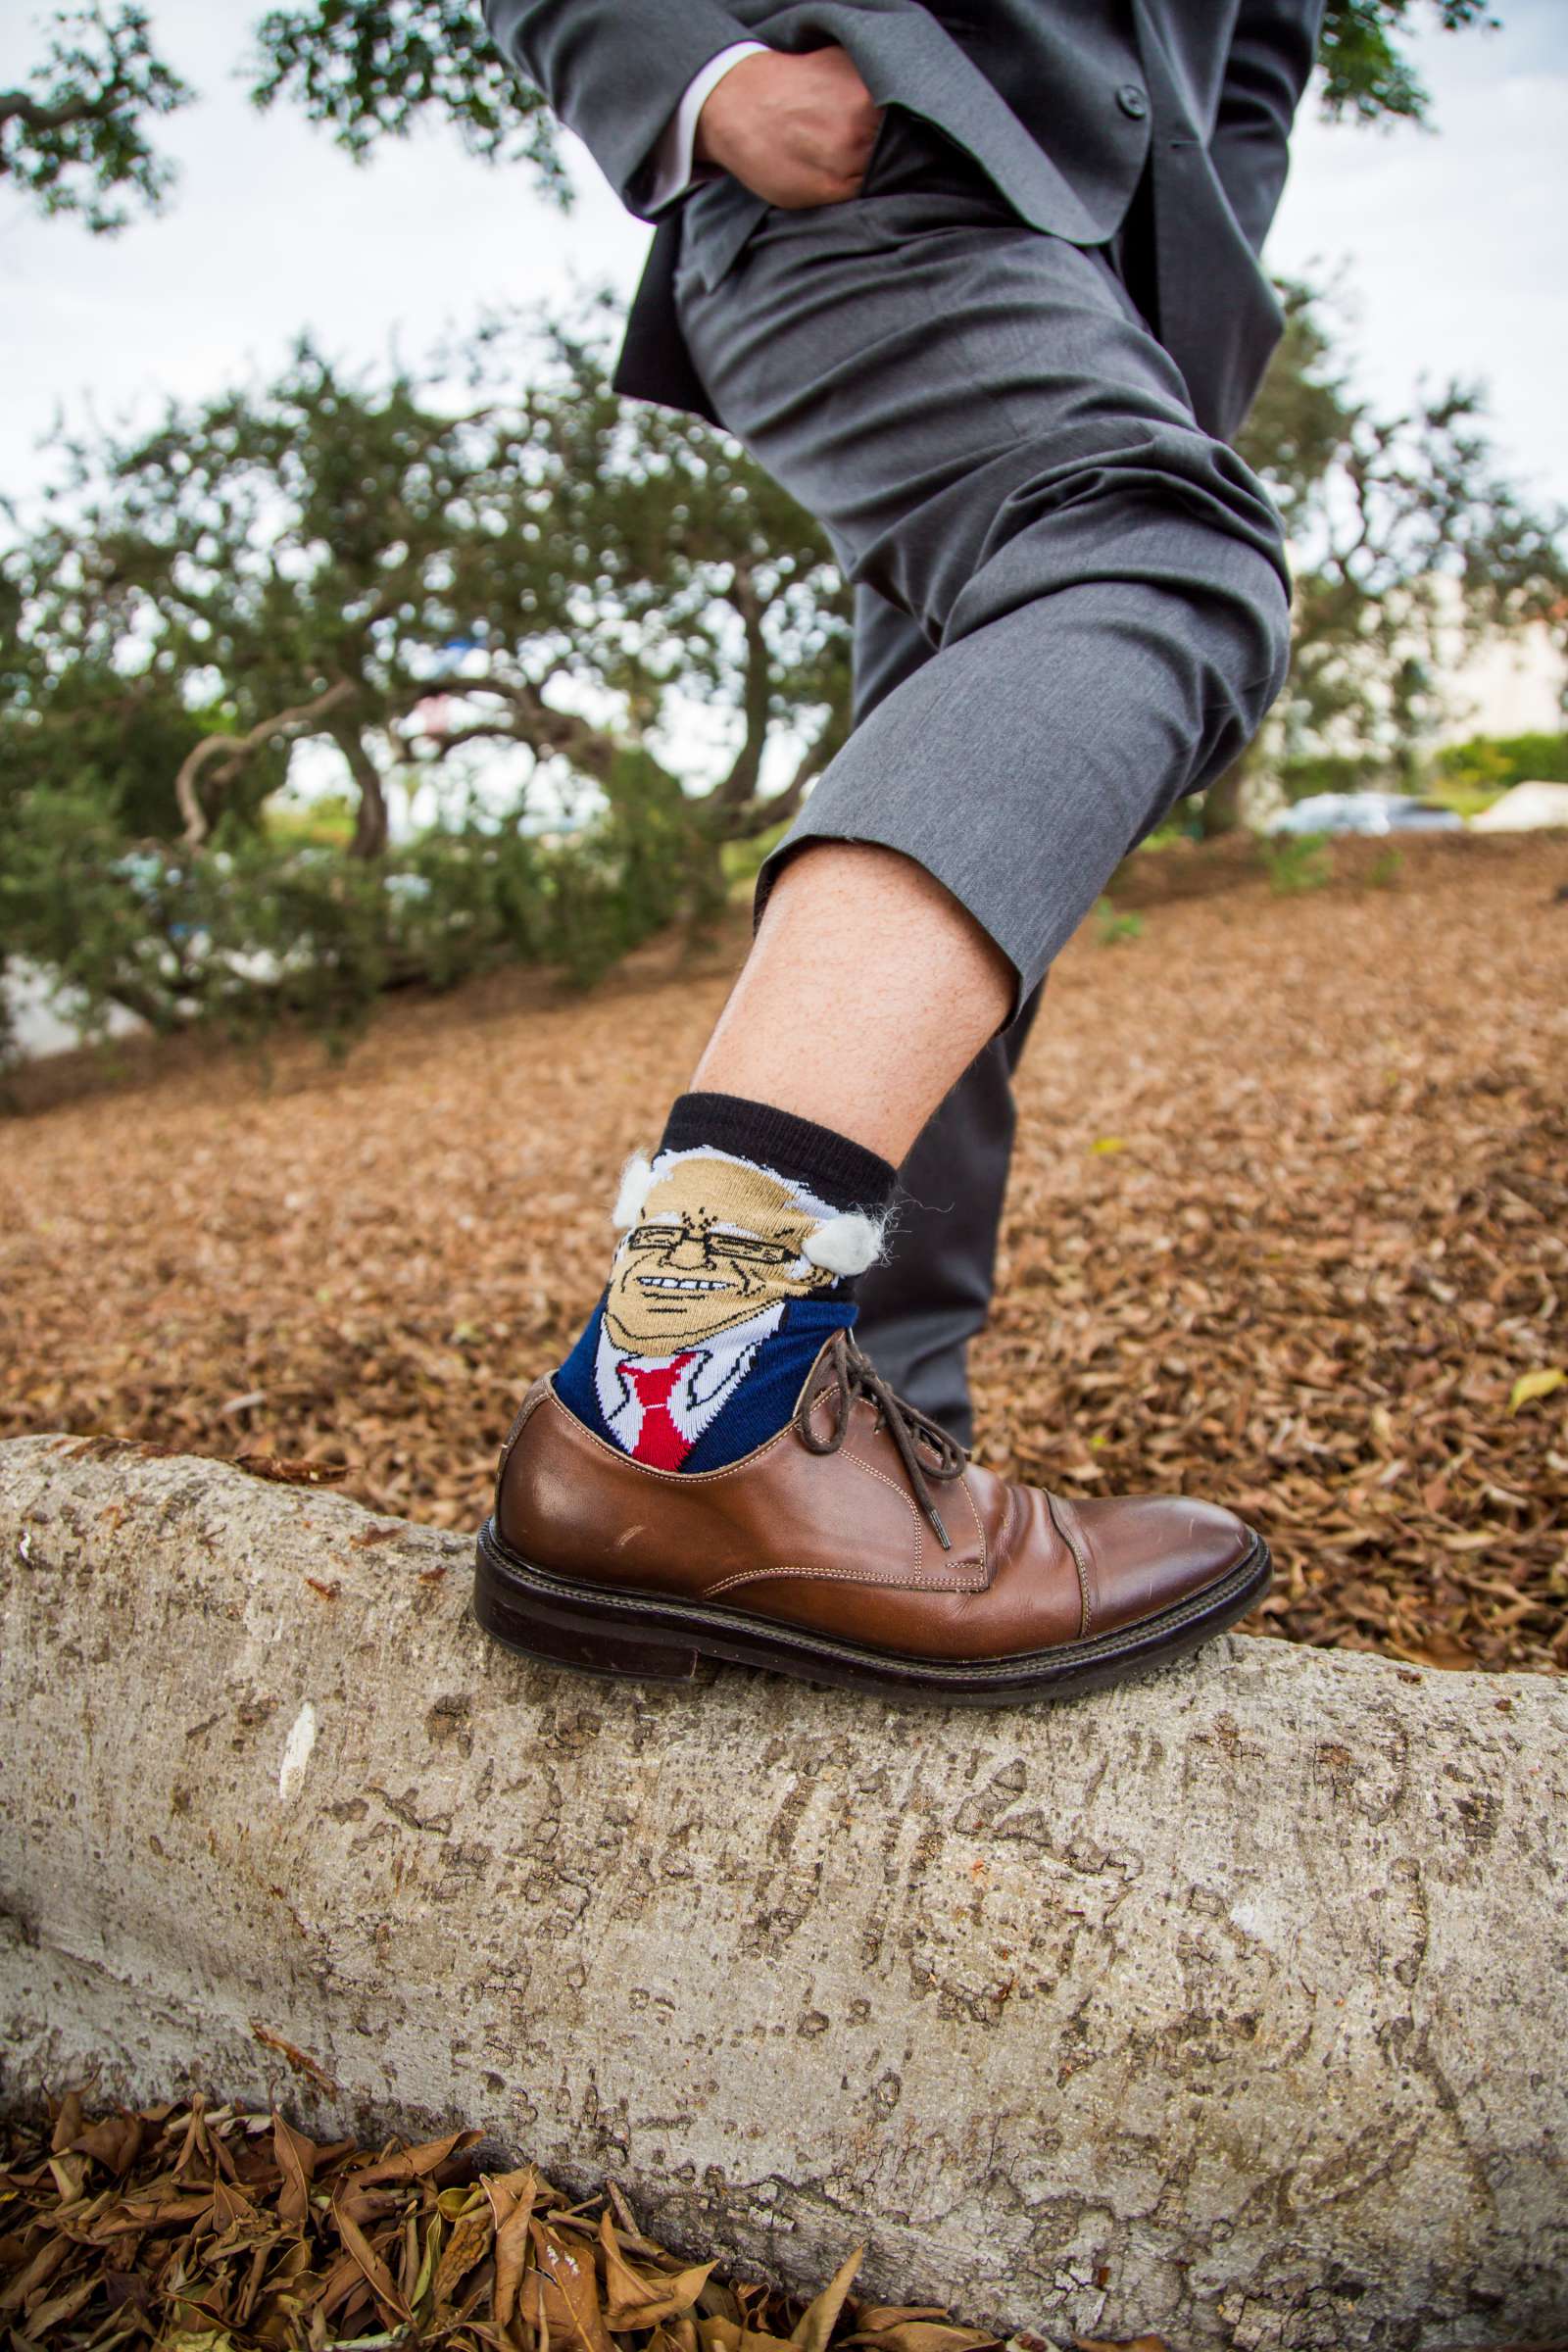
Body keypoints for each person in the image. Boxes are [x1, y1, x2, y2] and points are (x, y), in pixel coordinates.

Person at [472, 0, 1323, 1702]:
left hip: (1091, 297)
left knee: (973, 849)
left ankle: (855, 1456)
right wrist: (692, 80)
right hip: (867, 176)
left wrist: (1175, 333)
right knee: (1151, 564)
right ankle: (686, 1406)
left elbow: (1253, 60)